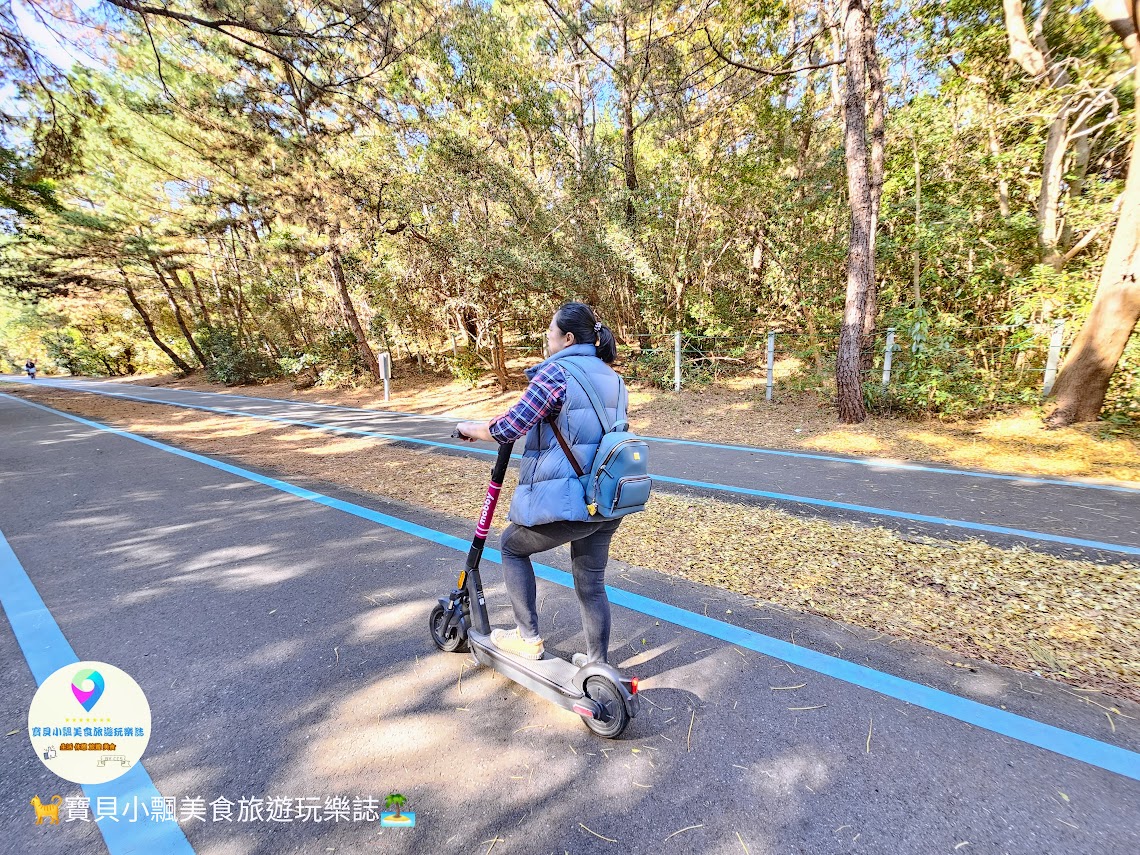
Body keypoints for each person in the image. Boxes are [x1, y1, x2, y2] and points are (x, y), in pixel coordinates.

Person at [456, 302, 626, 666]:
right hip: (607, 499)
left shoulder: (556, 374)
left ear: (566, 338)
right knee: (591, 581)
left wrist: (469, 428)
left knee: (512, 546)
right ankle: (597, 664)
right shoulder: (613, 377)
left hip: (571, 502)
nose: (545, 337)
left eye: (550, 331)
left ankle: (527, 638)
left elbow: (508, 427)